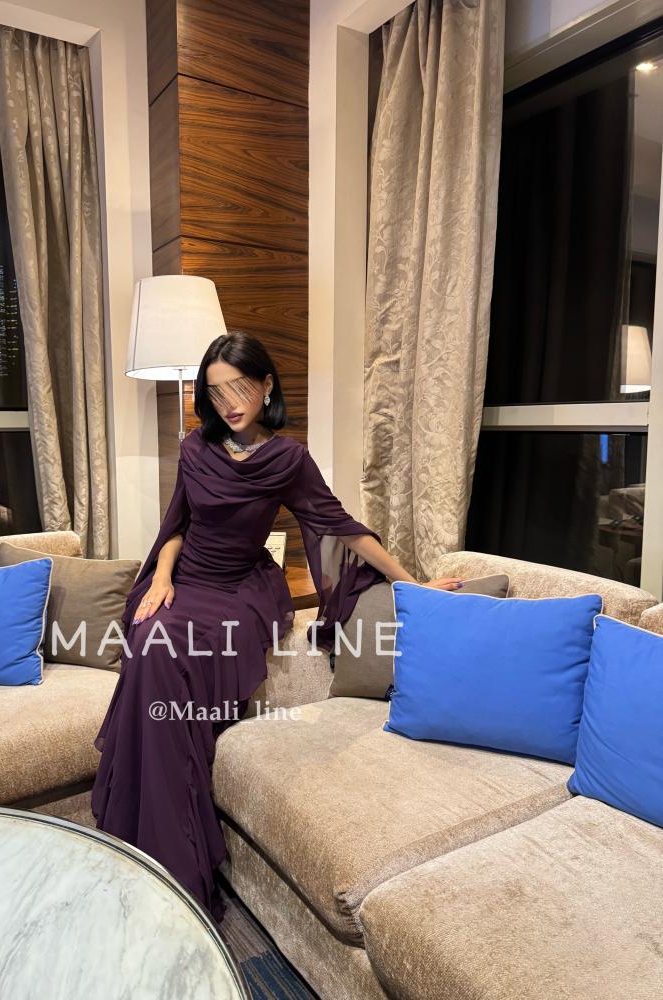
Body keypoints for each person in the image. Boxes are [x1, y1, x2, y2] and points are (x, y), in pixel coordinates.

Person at [90, 331, 462, 923]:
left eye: (240, 387)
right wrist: (160, 579)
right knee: (150, 645)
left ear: (266, 385)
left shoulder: (288, 459)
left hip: (240, 589)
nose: (229, 403)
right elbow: (175, 525)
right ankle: (149, 837)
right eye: (216, 393)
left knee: (167, 657)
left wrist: (410, 582)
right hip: (184, 580)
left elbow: (341, 525)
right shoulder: (195, 449)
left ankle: (168, 852)